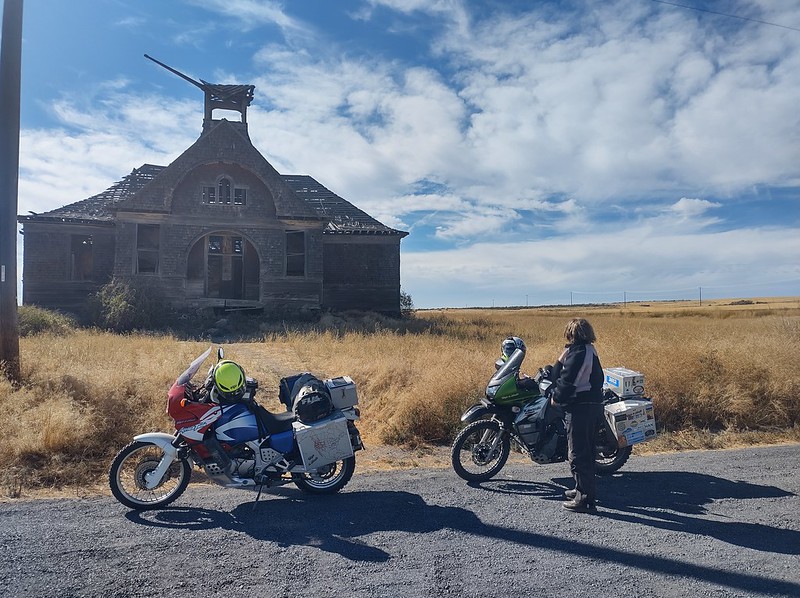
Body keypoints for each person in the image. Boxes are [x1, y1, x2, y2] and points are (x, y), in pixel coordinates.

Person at [548, 318, 604, 513]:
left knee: (578, 453)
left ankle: (585, 500)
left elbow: (569, 379)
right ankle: (581, 489)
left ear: (574, 334)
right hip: (592, 406)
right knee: (585, 452)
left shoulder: (579, 352)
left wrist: (557, 397)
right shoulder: (588, 350)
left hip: (581, 407)